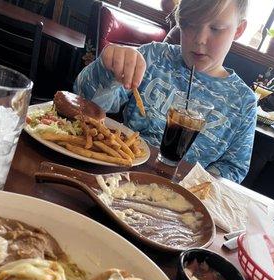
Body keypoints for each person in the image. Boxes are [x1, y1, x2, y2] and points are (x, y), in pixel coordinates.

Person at [74, 0, 257, 183]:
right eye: (190, 25)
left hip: (179, 197)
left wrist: (199, 184)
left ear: (238, 30)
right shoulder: (153, 57)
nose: (199, 39)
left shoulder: (244, 101)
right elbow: (85, 100)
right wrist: (107, 70)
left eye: (216, 28)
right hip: (117, 173)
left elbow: (234, 167)